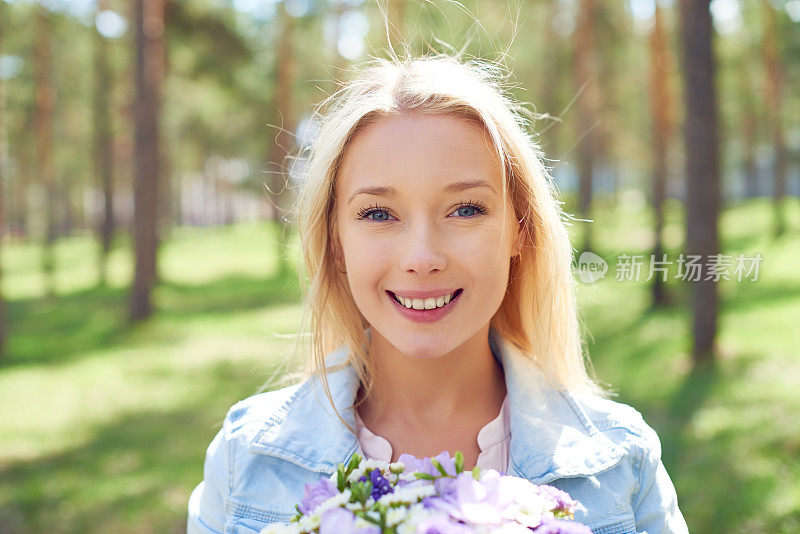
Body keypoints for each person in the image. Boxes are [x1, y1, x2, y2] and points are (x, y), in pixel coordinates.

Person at [187, 55, 689, 534]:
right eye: (379, 214)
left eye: (465, 209)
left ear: (520, 230)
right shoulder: (245, 459)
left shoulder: (622, 460)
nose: (422, 257)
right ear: (336, 241)